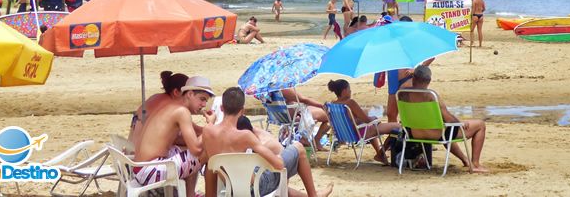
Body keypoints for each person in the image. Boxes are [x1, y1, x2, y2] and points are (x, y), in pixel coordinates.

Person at [203, 87, 332, 197]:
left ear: (221, 107)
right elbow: (279, 164)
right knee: (298, 148)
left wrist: (211, 122)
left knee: (215, 166)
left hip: (230, 188)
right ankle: (313, 195)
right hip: (256, 189)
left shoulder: (208, 132)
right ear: (242, 111)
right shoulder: (245, 136)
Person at [134, 76, 215, 195]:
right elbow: (197, 149)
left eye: (206, 101)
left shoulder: (171, 106)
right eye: (202, 99)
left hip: (140, 168)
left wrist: (216, 129)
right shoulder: (182, 112)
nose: (203, 104)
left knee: (187, 150)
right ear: (190, 94)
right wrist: (211, 125)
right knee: (207, 150)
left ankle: (189, 193)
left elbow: (198, 132)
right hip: (151, 171)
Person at [400, 66, 488, 173]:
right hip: (437, 135)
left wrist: (412, 76)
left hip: (414, 134)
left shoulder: (402, 93)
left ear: (413, 78)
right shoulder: (431, 96)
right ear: (429, 81)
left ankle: (465, 160)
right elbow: (448, 119)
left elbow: (405, 86)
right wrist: (460, 123)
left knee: (446, 130)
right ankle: (475, 164)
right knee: (480, 125)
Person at [326, 79, 401, 165]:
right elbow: (367, 120)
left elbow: (351, 120)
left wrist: (360, 119)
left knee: (370, 126)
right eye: (349, 89)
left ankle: (380, 154)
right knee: (398, 127)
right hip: (359, 133)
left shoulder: (333, 105)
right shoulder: (350, 103)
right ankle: (380, 154)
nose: (350, 91)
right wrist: (374, 118)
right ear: (344, 91)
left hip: (346, 134)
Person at [128, 71, 189, 142]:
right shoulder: (170, 106)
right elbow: (174, 138)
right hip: (140, 148)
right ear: (176, 92)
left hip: (131, 145)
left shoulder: (157, 97)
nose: (189, 96)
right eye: (188, 93)